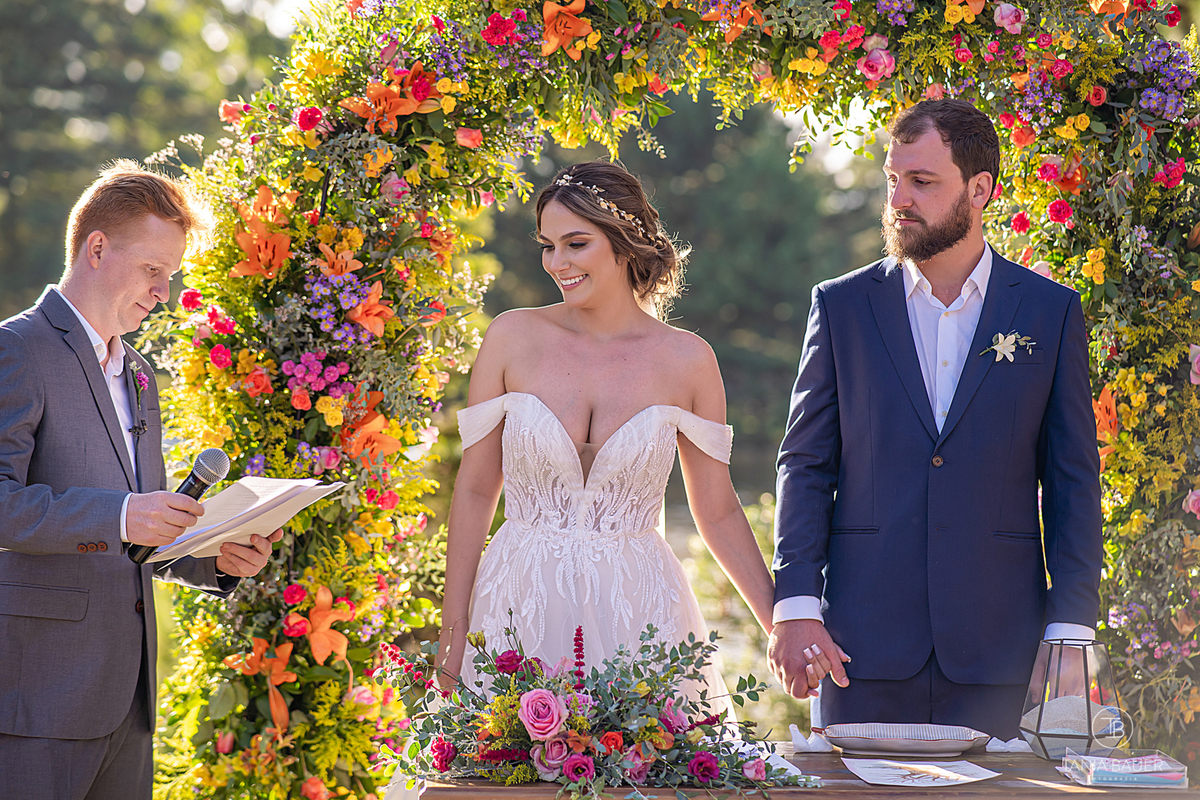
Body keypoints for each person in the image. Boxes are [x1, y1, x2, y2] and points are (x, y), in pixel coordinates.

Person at [767, 99, 1103, 739]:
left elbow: (1072, 481)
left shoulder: (1048, 312)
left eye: (922, 182)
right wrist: (797, 604)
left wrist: (1070, 629)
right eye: (893, 179)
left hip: (1001, 650)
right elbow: (805, 464)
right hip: (860, 648)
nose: (900, 198)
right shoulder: (840, 307)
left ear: (980, 190)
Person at [434, 161, 776, 715]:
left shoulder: (688, 360)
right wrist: (454, 629)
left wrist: (780, 623)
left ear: (625, 242)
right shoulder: (511, 338)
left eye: (575, 243)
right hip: (518, 605)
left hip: (640, 609)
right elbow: (475, 491)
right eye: (548, 246)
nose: (557, 263)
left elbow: (715, 510)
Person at [0, 160, 283, 799]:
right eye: (153, 270)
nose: (164, 291)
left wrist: (217, 559)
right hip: (36, 700)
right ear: (96, 248)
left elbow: (143, 531)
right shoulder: (16, 349)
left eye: (171, 275)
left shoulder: (139, 373)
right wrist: (122, 515)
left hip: (127, 701)